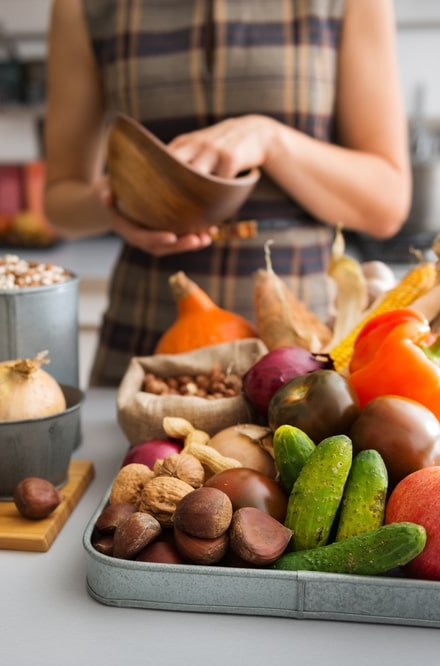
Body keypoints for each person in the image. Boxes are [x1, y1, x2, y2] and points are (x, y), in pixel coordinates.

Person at [43, 0, 411, 387]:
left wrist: (270, 139)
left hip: (302, 347)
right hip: (146, 340)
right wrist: (112, 204)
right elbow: (60, 203)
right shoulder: (81, 7)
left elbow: (386, 204)